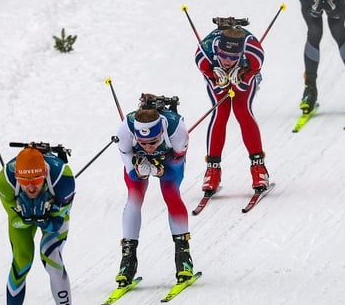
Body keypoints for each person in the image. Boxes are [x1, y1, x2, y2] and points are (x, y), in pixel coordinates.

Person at [0, 144, 78, 305]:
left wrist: (47, 218)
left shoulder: (63, 178)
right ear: (17, 177)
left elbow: (60, 220)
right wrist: (24, 216)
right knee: (21, 260)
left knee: (51, 256)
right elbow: (14, 223)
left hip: (53, 214)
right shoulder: (4, 182)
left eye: (36, 181)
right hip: (23, 217)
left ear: (45, 174)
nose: (30, 188)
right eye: (24, 182)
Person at [115, 94, 195, 287]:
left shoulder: (177, 130)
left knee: (171, 194)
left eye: (153, 141)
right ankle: (128, 260)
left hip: (170, 159)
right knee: (134, 199)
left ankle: (183, 257)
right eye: (143, 142)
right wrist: (135, 168)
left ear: (161, 132)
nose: (149, 147)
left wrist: (160, 168)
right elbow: (125, 152)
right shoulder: (126, 127)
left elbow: (177, 160)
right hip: (137, 159)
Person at [194, 17, 269, 194]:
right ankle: (212, 170)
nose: (227, 60)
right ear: (218, 49)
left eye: (232, 57)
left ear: (240, 53)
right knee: (220, 112)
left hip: (246, 72)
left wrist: (241, 78)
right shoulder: (204, 53)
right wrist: (217, 80)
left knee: (242, 111)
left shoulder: (253, 51)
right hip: (215, 73)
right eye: (223, 55)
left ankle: (259, 168)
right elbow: (208, 75)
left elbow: (254, 72)